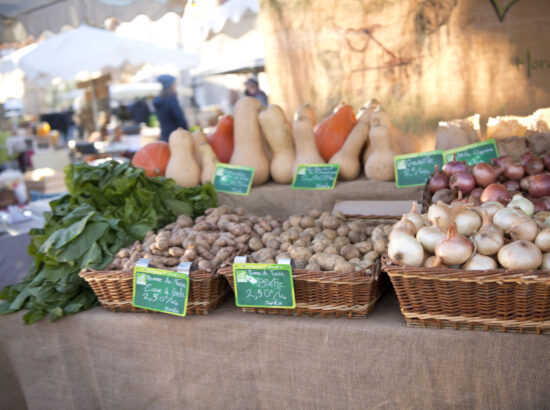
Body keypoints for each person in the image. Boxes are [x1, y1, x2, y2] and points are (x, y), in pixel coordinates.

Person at [153, 74, 188, 142]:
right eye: (174, 83)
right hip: (175, 137)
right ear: (170, 85)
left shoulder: (159, 100)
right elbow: (179, 118)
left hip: (164, 136)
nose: (176, 85)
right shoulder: (171, 99)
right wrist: (186, 132)